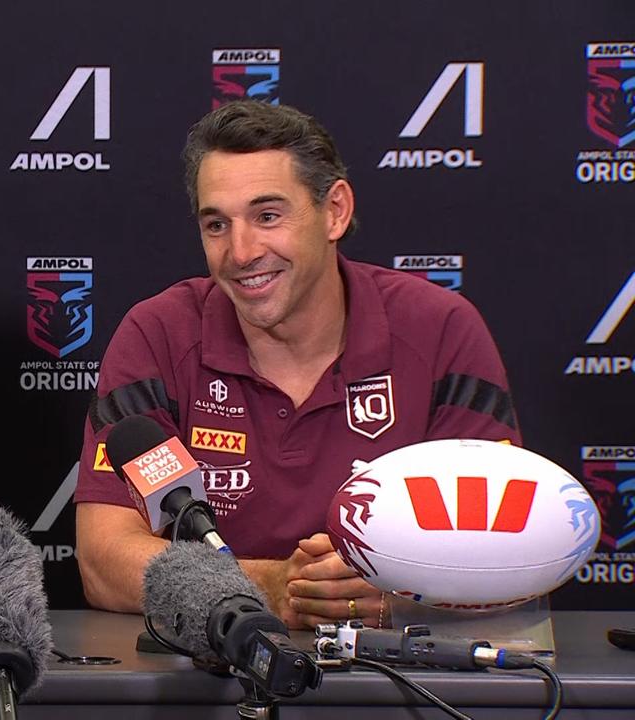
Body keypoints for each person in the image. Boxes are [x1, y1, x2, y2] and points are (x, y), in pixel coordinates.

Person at [73, 100, 521, 629]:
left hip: (402, 688)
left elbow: (505, 547)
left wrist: (399, 594)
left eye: (267, 216)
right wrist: (267, 586)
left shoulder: (440, 329)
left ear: (335, 211)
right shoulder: (158, 335)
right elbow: (104, 560)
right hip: (210, 683)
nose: (240, 252)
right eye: (216, 224)